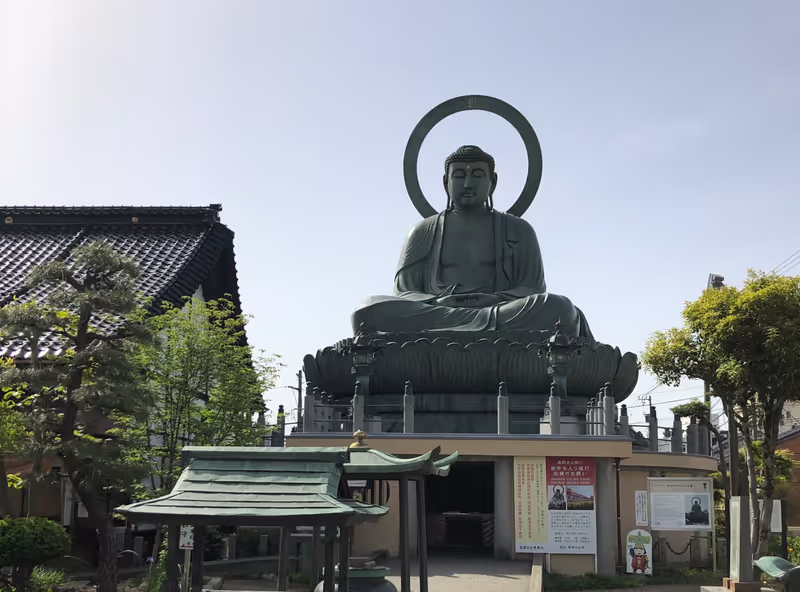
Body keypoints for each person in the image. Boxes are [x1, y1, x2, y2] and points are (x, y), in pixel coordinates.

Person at [352, 145, 593, 337]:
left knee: (558, 308)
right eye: (459, 175)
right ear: (445, 182)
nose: (468, 183)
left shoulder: (519, 230)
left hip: (499, 312)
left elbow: (533, 289)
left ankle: (452, 336)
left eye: (477, 174)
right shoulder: (423, 231)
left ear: (493, 182)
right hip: (439, 311)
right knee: (367, 311)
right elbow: (405, 293)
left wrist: (494, 299)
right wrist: (438, 301)